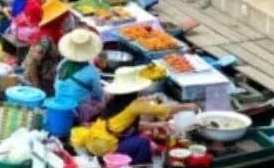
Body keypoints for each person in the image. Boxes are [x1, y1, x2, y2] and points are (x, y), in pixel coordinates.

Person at [70, 66, 200, 157]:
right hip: (107, 146)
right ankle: (139, 166)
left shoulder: (115, 101)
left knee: (140, 135)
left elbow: (125, 126)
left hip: (97, 140)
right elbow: (164, 109)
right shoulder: (134, 105)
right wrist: (187, 106)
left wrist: (157, 125)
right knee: (143, 142)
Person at [22, 0, 71, 94]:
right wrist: (37, 87)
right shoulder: (45, 39)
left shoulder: (57, 33)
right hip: (43, 82)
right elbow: (32, 64)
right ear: (57, 19)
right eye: (64, 18)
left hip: (53, 78)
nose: (66, 20)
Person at [53, 29, 104, 106]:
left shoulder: (62, 63)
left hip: (59, 100)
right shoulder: (92, 72)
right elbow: (98, 94)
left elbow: (56, 83)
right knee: (106, 97)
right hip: (78, 107)